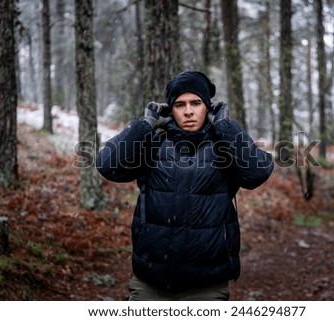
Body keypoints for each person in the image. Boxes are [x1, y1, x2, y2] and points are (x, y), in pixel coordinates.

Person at [96, 70, 273, 300]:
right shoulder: (153, 144)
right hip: (150, 283)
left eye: (196, 103)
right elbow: (107, 165)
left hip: (207, 285)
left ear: (207, 107)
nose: (188, 111)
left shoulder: (224, 146)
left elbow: (257, 172)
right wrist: (145, 124)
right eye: (180, 105)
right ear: (171, 110)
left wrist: (225, 127)